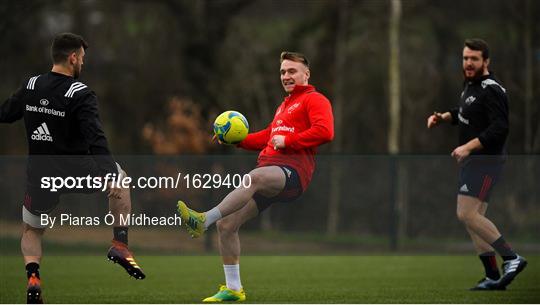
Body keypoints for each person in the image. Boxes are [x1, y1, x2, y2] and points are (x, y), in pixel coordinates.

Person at [177, 51, 334, 302]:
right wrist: (236, 140)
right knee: (227, 225)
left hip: (292, 172)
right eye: (283, 71)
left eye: (292, 71)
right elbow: (266, 137)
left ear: (307, 74)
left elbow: (325, 131)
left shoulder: (315, 100)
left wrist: (289, 140)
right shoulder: (284, 105)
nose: (286, 76)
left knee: (255, 177)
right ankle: (233, 289)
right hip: (270, 171)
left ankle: (203, 219)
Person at [0, 33, 145, 303]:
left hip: (40, 176)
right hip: (79, 171)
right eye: (83, 58)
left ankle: (33, 278)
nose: (83, 64)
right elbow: (96, 138)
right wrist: (111, 175)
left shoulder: (31, 86)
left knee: (31, 230)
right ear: (73, 58)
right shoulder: (81, 94)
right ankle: (120, 244)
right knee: (122, 179)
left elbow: (6, 113)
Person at [427, 38, 527, 291]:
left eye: (474, 59)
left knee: (466, 214)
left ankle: (511, 258)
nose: (468, 63)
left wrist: (468, 146)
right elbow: (464, 111)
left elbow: (500, 127)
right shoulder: (471, 85)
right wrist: (443, 118)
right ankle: (493, 275)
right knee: (473, 219)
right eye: (465, 58)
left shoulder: (492, 88)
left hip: (486, 162)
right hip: (475, 162)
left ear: (486, 62)